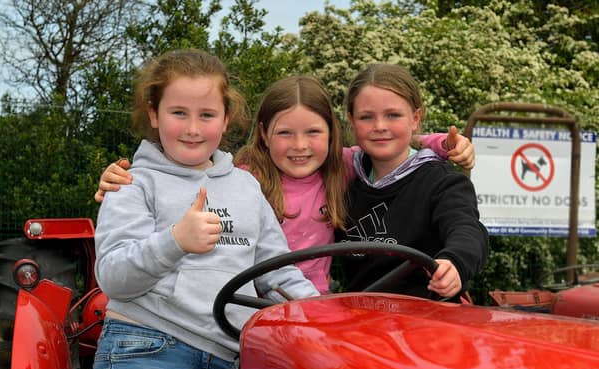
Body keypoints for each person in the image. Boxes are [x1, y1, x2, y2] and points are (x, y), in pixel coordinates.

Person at [91, 48, 319, 369]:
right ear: (153, 115)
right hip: (147, 365)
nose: (193, 129)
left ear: (227, 117)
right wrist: (175, 241)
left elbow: (277, 270)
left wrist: (324, 315)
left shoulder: (245, 186)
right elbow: (114, 276)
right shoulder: (133, 183)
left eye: (206, 114)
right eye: (178, 112)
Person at [95, 75, 476, 293]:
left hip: (314, 304)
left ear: (332, 134)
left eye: (313, 132)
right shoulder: (243, 180)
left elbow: (389, 143)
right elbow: (186, 179)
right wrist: (123, 181)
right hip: (248, 307)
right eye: (284, 134)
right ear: (263, 133)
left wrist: (445, 145)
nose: (299, 146)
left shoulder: (341, 168)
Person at [337, 63, 488, 300]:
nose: (379, 126)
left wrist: (455, 262)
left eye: (393, 115)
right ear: (352, 121)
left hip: (426, 319)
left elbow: (467, 228)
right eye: (366, 117)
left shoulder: (442, 181)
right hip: (358, 321)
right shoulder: (345, 179)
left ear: (415, 118)